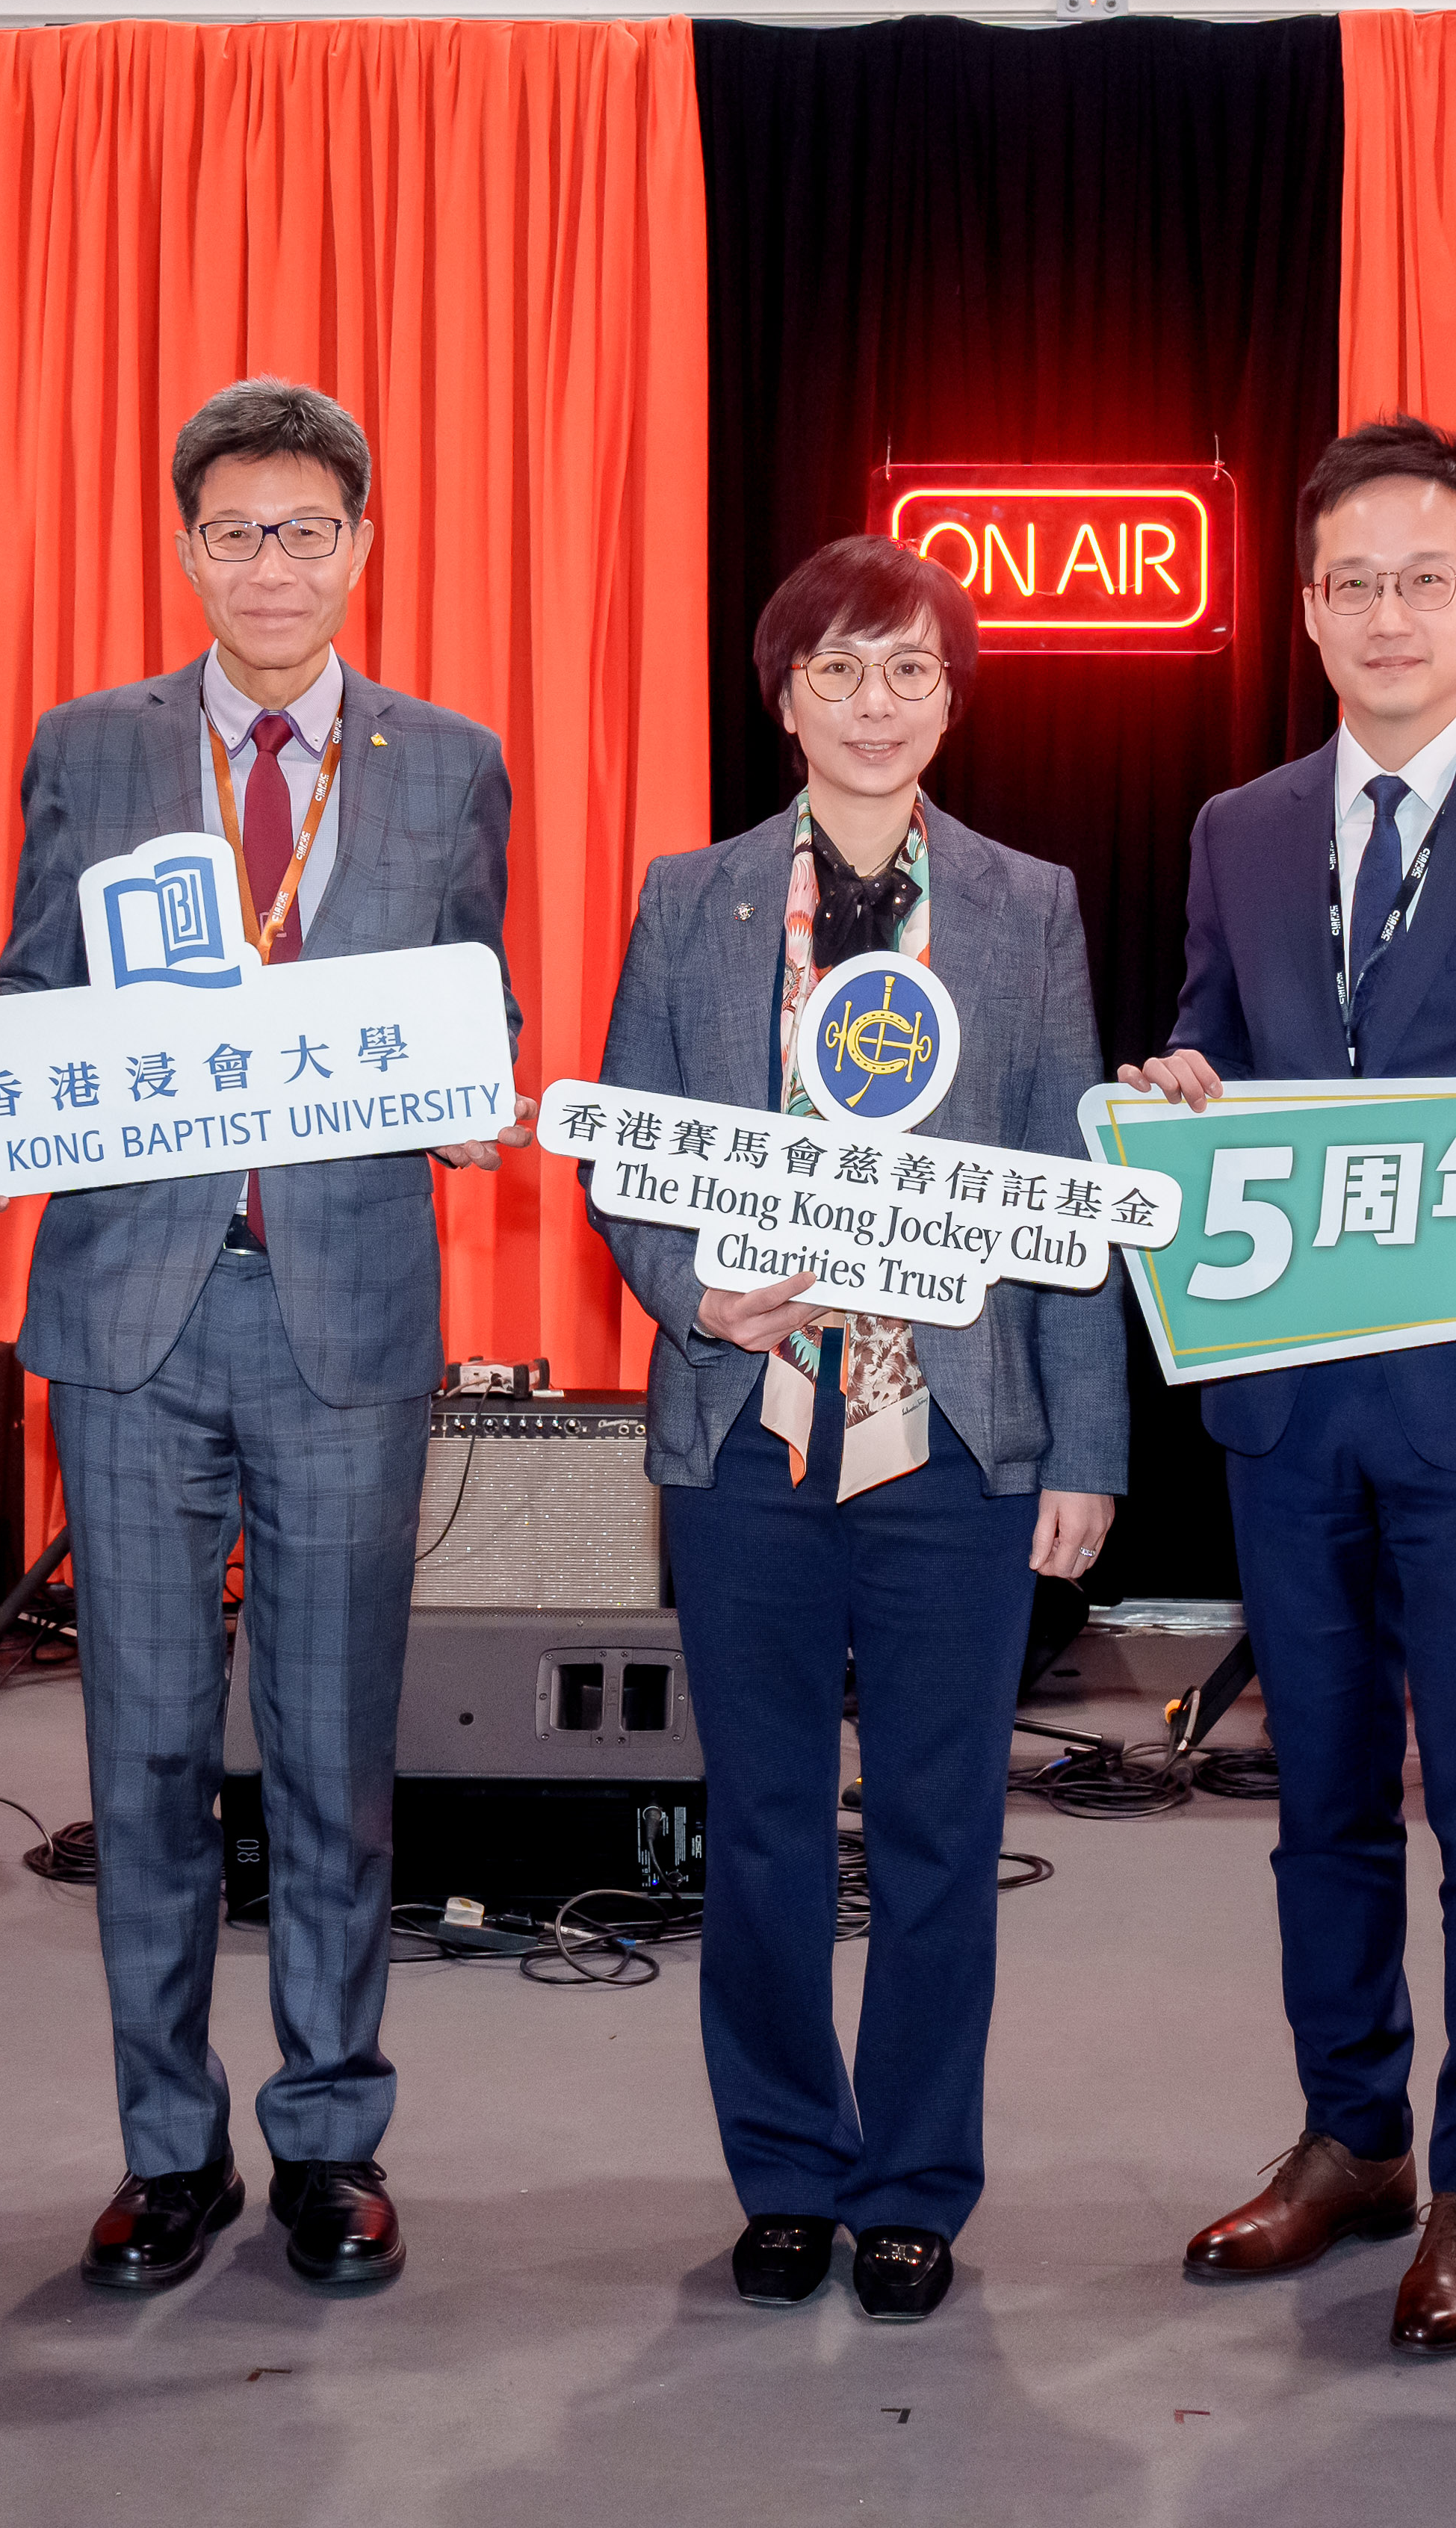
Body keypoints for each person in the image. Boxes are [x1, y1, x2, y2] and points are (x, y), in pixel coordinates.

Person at [0, 379, 517, 2298]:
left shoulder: (445, 762)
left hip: (344, 1309)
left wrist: (475, 1083)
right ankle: (167, 2150)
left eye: (307, 531)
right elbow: (30, 989)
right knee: (147, 1749)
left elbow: (470, 1000)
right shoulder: (90, 750)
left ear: (363, 546)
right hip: (130, 1314)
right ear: (186, 551)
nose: (271, 564)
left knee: (338, 1756)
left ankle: (333, 2139)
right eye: (235, 532)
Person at [1120, 418, 1456, 2356]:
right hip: (1290, 1405)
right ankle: (1351, 2137)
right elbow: (1209, 1032)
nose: (1387, 611)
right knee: (1319, 1798)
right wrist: (1175, 1077)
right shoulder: (1238, 828)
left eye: (1425, 575)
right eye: (1351, 580)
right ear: (1306, 609)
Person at [586, 534, 1123, 2323]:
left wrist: (1087, 1447)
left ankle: (911, 2178)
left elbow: (1071, 1181)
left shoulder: (1026, 902)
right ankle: (787, 2168)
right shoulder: (693, 897)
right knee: (756, 1826)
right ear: (786, 694)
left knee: (938, 1827)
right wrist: (688, 1289)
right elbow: (626, 1152)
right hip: (751, 1428)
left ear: (953, 698)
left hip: (954, 1439)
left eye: (910, 671)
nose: (876, 704)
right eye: (841, 671)